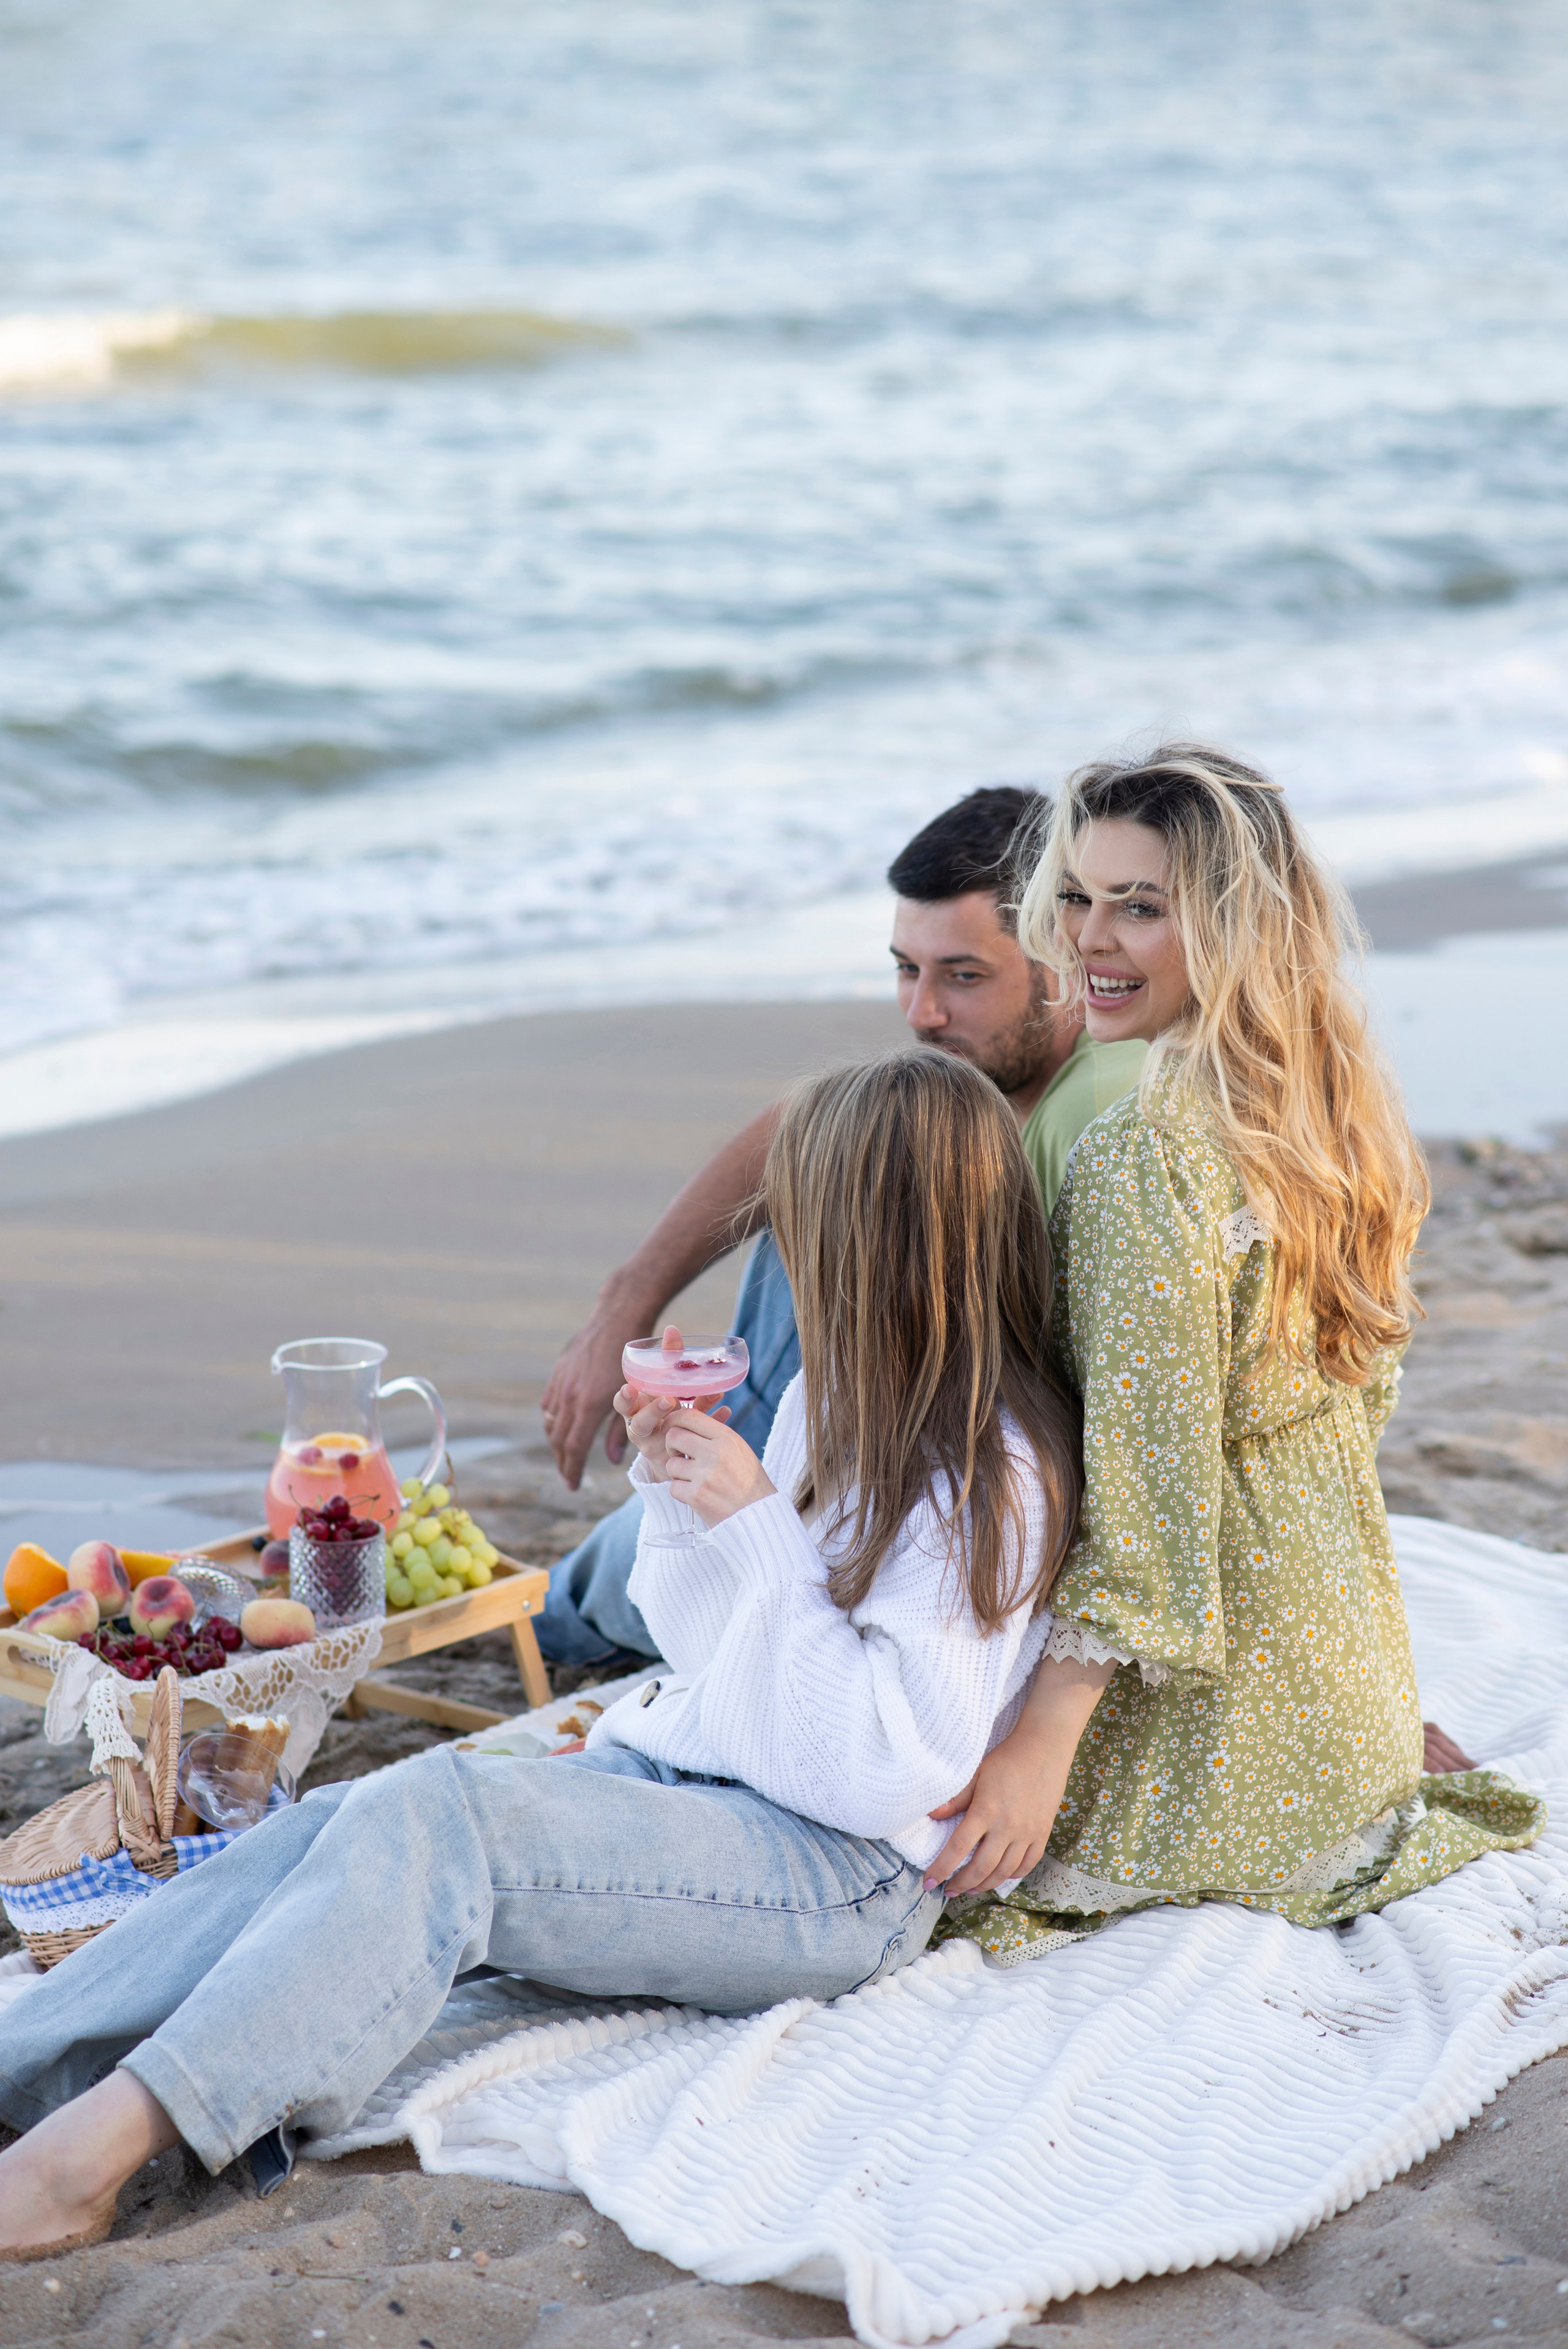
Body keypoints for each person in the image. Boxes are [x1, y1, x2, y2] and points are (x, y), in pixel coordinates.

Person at [0, 1048, 1084, 2261]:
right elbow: (705, 1637)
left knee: (443, 1833)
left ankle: (82, 2163)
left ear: (886, 1247)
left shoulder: (985, 1476)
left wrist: (759, 1537)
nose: (782, 1262)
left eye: (802, 1227)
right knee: (362, 1810)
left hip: (840, 1875)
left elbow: (879, 1772)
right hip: (720, 1785)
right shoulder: (833, 1398)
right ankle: (21, 2069)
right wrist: (677, 1494)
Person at [919, 743, 1544, 1938]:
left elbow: (1150, 1504)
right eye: (1074, 898)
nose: (1089, 939)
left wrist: (1044, 1743)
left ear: (1228, 921)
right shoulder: (1328, 1096)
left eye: (1138, 908)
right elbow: (1363, 1390)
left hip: (1219, 1736)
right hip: (1346, 1676)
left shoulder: (1141, 1146)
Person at [537, 785, 1147, 1667]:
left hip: (926, 1517)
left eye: (963, 976)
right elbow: (803, 1121)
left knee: (857, 1189)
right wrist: (625, 1303)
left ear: (1063, 957)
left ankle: (558, 1609)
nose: (922, 1011)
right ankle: (580, 1588)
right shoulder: (1010, 1076)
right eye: (907, 967)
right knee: (853, 1149)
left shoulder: (1094, 1123)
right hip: (869, 1465)